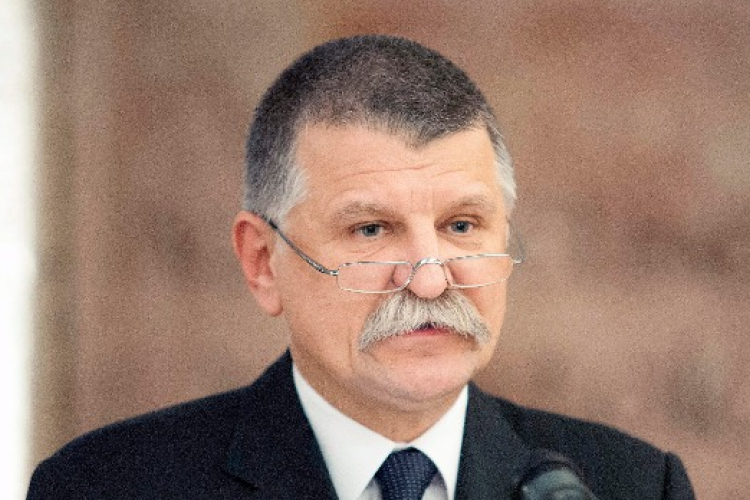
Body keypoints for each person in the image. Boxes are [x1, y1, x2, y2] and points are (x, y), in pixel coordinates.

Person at [27, 35, 695, 499]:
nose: (430, 279)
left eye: (462, 226)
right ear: (263, 263)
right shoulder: (106, 486)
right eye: (371, 230)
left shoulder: (629, 485)